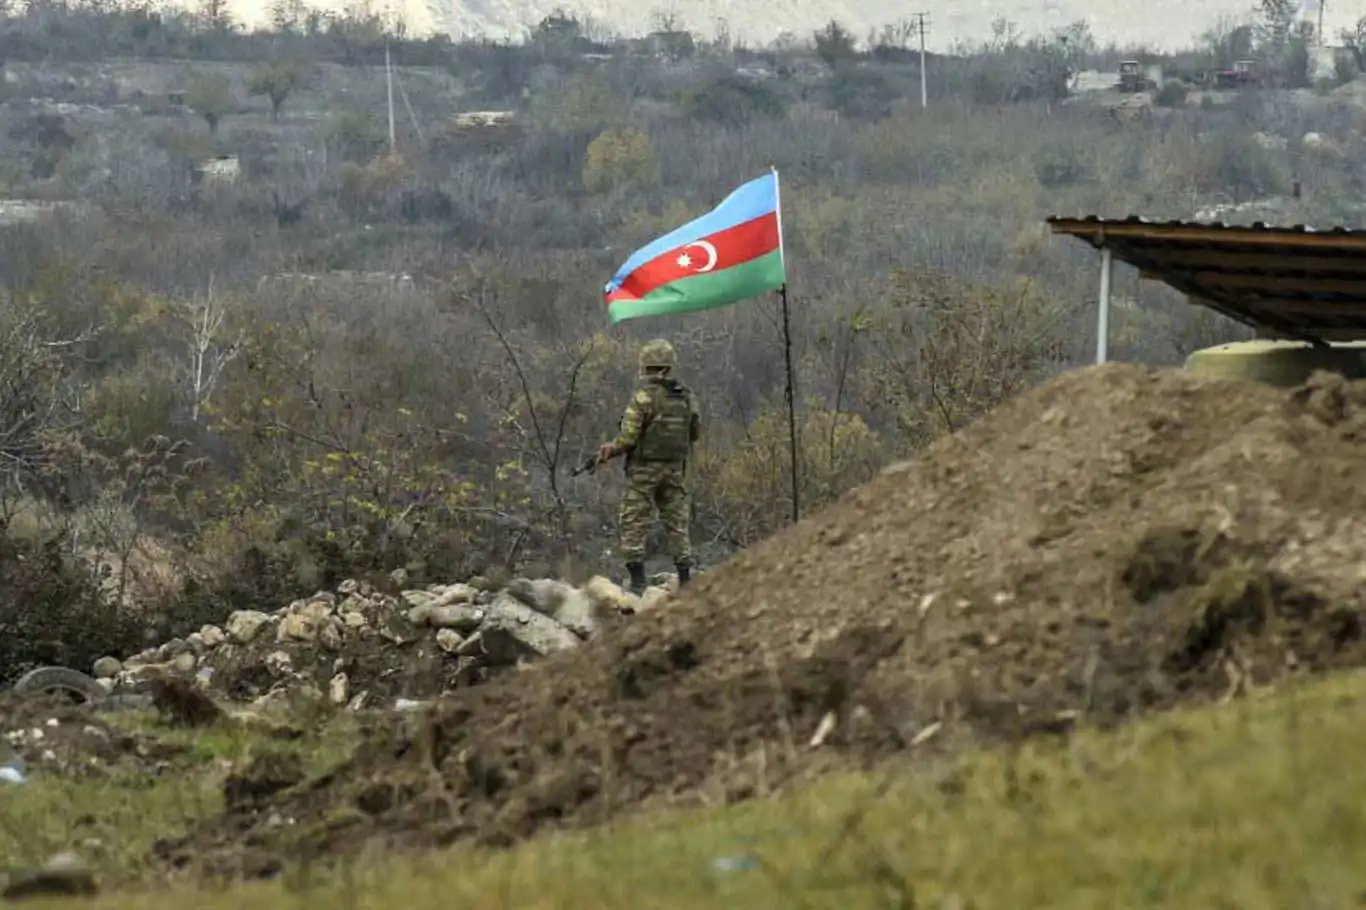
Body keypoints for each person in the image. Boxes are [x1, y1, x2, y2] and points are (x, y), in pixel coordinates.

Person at [596, 338, 700, 595]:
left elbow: (629, 436)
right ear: (668, 366)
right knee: (676, 521)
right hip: (674, 468)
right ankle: (686, 578)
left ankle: (638, 581)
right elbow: (694, 432)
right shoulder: (686, 396)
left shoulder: (642, 397)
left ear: (647, 367)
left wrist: (611, 449)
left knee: (633, 520)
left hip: (644, 470)